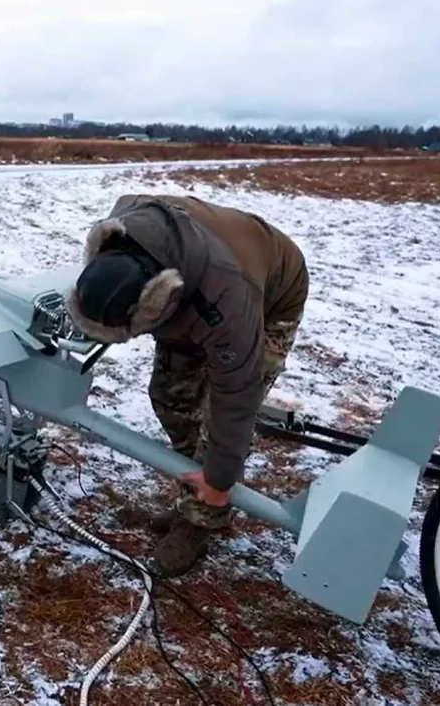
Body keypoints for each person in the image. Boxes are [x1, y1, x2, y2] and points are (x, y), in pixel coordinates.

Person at [65, 194, 309, 576]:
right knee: (171, 396)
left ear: (159, 300)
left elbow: (237, 395)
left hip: (271, 294)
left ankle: (203, 518)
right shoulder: (121, 234)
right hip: (194, 282)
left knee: (217, 422)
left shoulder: (228, 300)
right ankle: (194, 491)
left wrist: (218, 479)